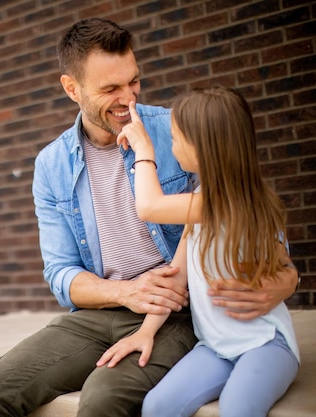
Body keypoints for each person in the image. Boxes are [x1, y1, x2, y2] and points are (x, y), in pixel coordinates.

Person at [0, 18, 299, 417]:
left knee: (103, 401)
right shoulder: (52, 164)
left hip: (176, 311)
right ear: (72, 88)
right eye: (110, 89)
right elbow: (60, 272)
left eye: (133, 81)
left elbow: (251, 217)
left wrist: (283, 280)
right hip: (100, 311)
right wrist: (124, 292)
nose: (128, 98)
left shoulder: (178, 130)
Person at [98, 87, 300, 417]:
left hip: (264, 344)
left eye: (176, 138)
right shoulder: (200, 200)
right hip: (215, 347)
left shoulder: (230, 201)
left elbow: (148, 207)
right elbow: (176, 278)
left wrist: (144, 150)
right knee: (157, 406)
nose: (172, 145)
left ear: (203, 147)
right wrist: (145, 332)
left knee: (237, 408)